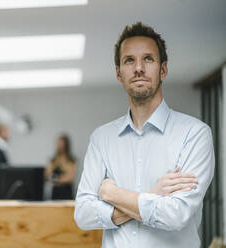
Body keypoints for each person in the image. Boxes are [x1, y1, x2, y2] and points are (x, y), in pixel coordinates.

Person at [74, 22, 214, 248]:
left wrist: (112, 193)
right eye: (129, 60)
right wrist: (153, 194)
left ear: (163, 70)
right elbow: (83, 214)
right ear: (119, 73)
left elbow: (175, 215)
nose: (138, 68)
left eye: (148, 59)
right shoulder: (101, 139)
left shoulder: (195, 134)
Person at [45, 134, 77, 200]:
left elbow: (71, 177)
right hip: (56, 190)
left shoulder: (71, 160)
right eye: (58, 143)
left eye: (61, 143)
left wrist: (58, 179)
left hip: (66, 190)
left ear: (66, 145)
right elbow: (47, 175)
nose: (59, 145)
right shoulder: (53, 160)